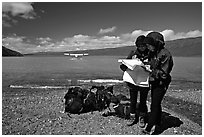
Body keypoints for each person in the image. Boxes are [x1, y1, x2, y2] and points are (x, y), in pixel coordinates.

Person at [141, 32, 174, 135]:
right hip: (154, 81)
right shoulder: (153, 52)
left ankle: (150, 127)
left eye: (149, 45)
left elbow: (164, 74)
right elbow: (151, 63)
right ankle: (158, 122)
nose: (148, 47)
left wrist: (150, 71)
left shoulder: (165, 54)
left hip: (161, 82)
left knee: (154, 104)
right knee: (156, 102)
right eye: (147, 45)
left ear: (156, 43)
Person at [120, 35, 150, 128]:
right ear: (137, 45)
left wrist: (146, 67)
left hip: (144, 81)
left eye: (143, 45)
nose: (142, 47)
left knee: (143, 101)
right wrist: (124, 66)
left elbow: (153, 66)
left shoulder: (150, 54)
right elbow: (124, 64)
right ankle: (132, 116)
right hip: (133, 80)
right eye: (140, 45)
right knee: (133, 100)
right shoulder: (133, 53)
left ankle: (142, 117)